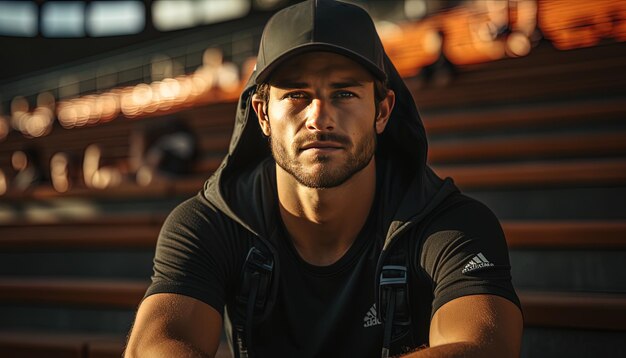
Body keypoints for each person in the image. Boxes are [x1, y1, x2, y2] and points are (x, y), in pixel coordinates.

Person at [125, 1, 523, 357]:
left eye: (345, 93)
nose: (319, 117)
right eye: (297, 95)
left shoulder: (451, 224)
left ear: (382, 111)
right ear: (262, 114)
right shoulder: (210, 224)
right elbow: (154, 345)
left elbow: (484, 346)